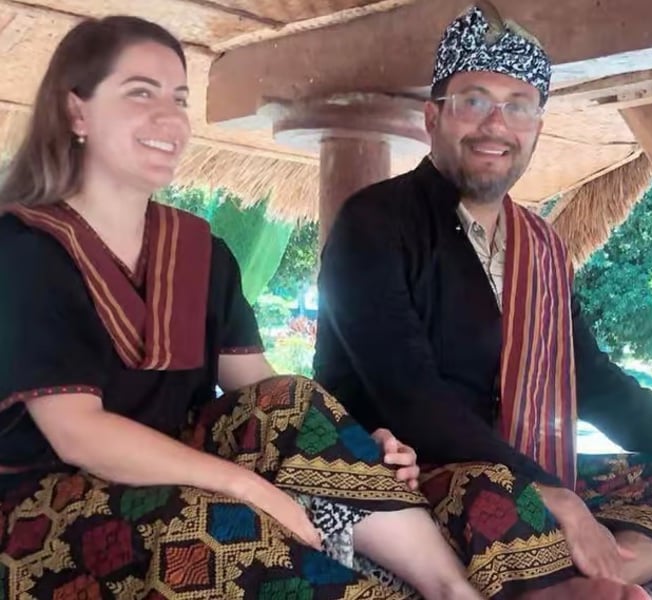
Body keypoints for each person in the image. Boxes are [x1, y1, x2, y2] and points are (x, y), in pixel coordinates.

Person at [0, 15, 488, 600]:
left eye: (179, 98)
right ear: (76, 111)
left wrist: (348, 444)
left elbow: (260, 392)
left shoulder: (199, 252)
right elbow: (79, 434)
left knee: (297, 404)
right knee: (213, 530)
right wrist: (247, 487)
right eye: (140, 93)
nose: (169, 118)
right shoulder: (26, 249)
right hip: (45, 502)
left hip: (183, 466)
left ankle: (452, 590)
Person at [314, 3, 652, 599]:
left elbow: (597, 383)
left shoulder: (543, 247)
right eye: (474, 100)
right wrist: (549, 495)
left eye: (518, 106)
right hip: (409, 472)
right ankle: (581, 574)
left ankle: (593, 573)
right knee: (487, 503)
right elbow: (410, 396)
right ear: (434, 117)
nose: (495, 125)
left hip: (531, 472)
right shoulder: (374, 222)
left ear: (536, 128)